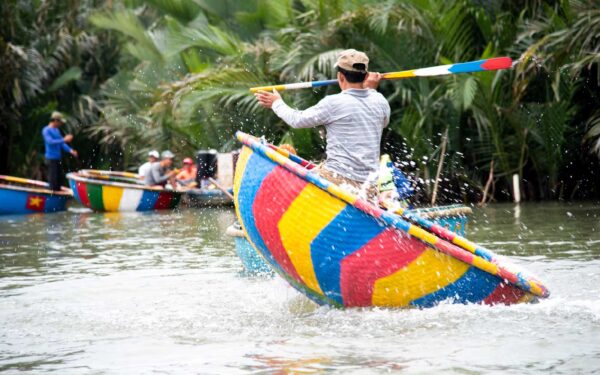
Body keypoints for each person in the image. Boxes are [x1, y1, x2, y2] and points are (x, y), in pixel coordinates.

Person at [255, 49, 390, 202]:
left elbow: (297, 120)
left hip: (337, 180)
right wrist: (371, 89)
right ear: (365, 76)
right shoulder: (380, 101)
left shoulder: (333, 103)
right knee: (318, 167)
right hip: (368, 186)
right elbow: (382, 122)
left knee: (284, 188)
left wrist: (276, 103)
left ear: (340, 76)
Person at [42, 111, 78, 191]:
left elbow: (62, 144)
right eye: (60, 122)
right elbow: (50, 142)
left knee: (59, 179)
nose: (60, 124)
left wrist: (71, 150)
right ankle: (51, 197)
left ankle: (57, 197)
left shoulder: (56, 130)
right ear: (55, 121)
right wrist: (64, 139)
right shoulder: (46, 130)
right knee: (53, 179)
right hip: (50, 159)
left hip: (57, 158)